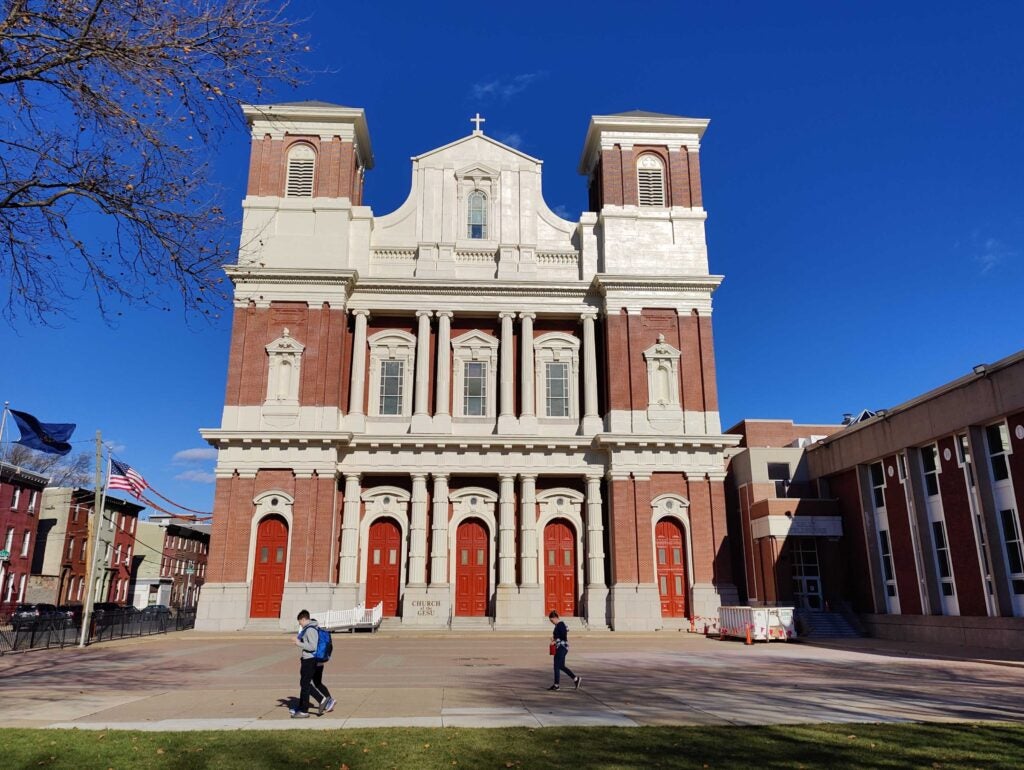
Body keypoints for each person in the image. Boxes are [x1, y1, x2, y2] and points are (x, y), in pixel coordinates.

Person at [290, 609, 336, 718]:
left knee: (305, 684)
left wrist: (298, 643)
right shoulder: (309, 629)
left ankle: (320, 701)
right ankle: (302, 708)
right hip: (308, 659)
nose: (299, 624)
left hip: (309, 660)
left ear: (304, 619)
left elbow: (312, 647)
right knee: (305, 684)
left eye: (300, 622)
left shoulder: (310, 630)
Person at [547, 610, 581, 692]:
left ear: (555, 618)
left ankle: (556, 685)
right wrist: (554, 639)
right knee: (561, 666)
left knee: (556, 666)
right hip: (562, 647)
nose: (552, 622)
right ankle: (576, 679)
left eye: (552, 620)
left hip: (561, 647)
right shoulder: (558, 625)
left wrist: (555, 640)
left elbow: (563, 635)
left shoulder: (560, 624)